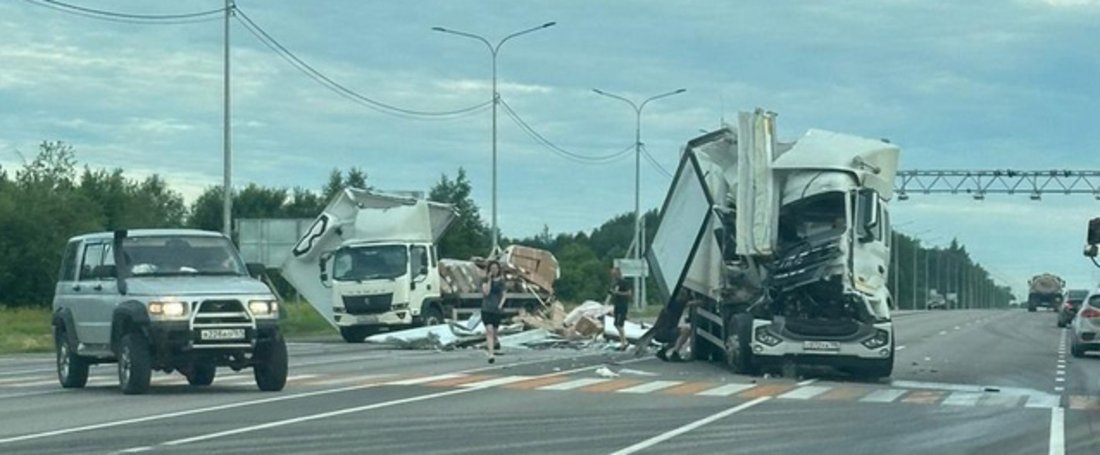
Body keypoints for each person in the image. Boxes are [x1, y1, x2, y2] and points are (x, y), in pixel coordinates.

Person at [481, 261, 507, 364]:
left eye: (496, 268)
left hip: (496, 309)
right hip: (486, 308)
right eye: (492, 268)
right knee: (489, 331)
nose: (494, 270)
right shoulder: (485, 280)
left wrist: (500, 304)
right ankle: (490, 354)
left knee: (494, 332)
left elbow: (504, 294)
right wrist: (489, 280)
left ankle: (495, 343)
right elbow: (486, 292)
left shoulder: (501, 281)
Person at [609, 267, 632, 350]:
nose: (613, 276)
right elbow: (613, 292)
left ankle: (624, 342)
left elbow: (629, 293)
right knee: (616, 323)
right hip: (617, 304)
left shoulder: (624, 282)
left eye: (614, 274)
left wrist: (618, 293)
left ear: (618, 274)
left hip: (623, 304)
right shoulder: (615, 283)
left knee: (619, 323)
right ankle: (623, 340)